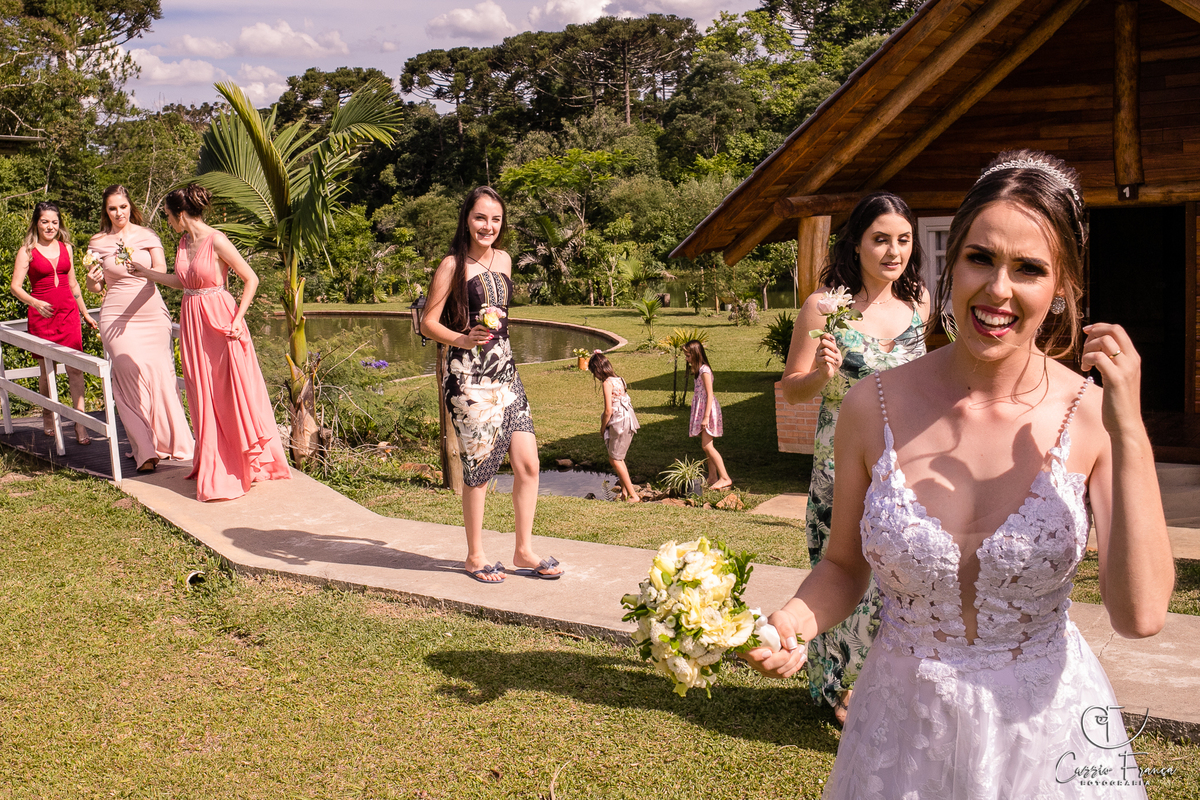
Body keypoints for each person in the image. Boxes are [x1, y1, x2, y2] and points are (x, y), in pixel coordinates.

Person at [745, 150, 1174, 798]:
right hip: (901, 728)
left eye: (1028, 269)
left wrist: (1131, 432)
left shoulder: (1088, 417)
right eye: (981, 258)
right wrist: (791, 623)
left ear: (1061, 290)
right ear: (951, 267)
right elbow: (841, 567)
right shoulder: (874, 406)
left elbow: (1140, 614)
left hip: (1046, 736)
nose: (998, 289)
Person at [779, 191, 930, 724]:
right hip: (840, 462)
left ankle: (880, 681)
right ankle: (836, 685)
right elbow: (792, 389)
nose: (894, 251)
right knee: (841, 569)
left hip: (902, 465)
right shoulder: (824, 307)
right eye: (881, 239)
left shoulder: (920, 304)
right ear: (858, 243)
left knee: (894, 573)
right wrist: (821, 374)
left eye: (904, 240)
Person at [420, 186, 563, 583]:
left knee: (528, 464)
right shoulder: (452, 265)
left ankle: (523, 549)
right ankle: (475, 556)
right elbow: (427, 323)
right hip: (469, 378)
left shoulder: (505, 259)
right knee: (481, 470)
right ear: (467, 218)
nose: (488, 226)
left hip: (507, 373)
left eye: (496, 219)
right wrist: (463, 338)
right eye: (481, 218)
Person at [127, 184, 290, 502]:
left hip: (220, 321)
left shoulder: (217, 240)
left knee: (227, 393)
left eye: (169, 217)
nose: (169, 222)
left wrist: (238, 319)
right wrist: (148, 273)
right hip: (192, 320)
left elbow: (250, 278)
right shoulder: (183, 241)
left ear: (181, 214)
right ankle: (213, 461)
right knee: (201, 394)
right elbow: (184, 282)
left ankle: (236, 465)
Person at [85, 185, 193, 472]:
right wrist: (91, 279)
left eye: (123, 206)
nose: (119, 213)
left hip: (151, 314)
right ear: (105, 211)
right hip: (116, 316)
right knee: (126, 375)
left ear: (130, 206)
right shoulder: (97, 242)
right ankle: (144, 450)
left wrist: (145, 271)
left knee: (161, 375)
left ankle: (173, 443)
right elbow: (95, 287)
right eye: (112, 208)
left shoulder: (147, 236)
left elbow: (163, 270)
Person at [9, 202, 98, 444]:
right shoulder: (26, 250)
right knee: (46, 372)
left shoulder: (66, 247)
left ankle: (81, 425)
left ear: (60, 225)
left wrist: (86, 313)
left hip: (69, 314)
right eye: (45, 221)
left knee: (76, 369)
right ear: (36, 223)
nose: (50, 226)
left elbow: (74, 284)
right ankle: (48, 415)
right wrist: (35, 303)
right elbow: (15, 286)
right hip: (43, 316)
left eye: (54, 222)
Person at [587, 350, 641, 502]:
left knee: (614, 460)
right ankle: (624, 492)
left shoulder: (607, 383)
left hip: (619, 422)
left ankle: (633, 495)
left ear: (597, 370)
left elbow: (608, 410)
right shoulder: (620, 380)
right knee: (619, 458)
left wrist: (602, 427)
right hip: (629, 419)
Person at [683, 340, 731, 490]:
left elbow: (710, 394)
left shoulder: (704, 371)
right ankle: (712, 476)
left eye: (688, 355)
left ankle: (725, 477)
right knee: (706, 446)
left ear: (696, 354)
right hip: (703, 408)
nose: (686, 358)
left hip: (707, 410)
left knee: (707, 445)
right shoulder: (699, 370)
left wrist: (705, 417)